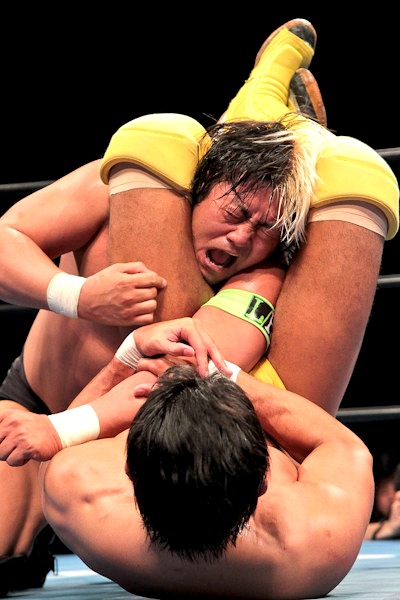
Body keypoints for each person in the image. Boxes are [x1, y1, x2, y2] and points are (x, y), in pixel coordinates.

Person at [0, 17, 398, 595]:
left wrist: (99, 390)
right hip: (179, 409)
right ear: (198, 185)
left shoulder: (86, 486)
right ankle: (278, 124)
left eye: (263, 229)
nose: (240, 237)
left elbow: (157, 383)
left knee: (160, 148)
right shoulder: (312, 539)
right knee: (356, 177)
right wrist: (80, 296)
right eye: (233, 213)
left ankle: (276, 131)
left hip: (171, 426)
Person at [39, 316, 375, 600]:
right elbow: (344, 445)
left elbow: (61, 454)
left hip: (164, 393)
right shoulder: (314, 544)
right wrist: (223, 373)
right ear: (263, 481)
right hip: (287, 395)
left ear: (129, 470)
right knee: (263, 280)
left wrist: (127, 357)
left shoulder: (87, 502)